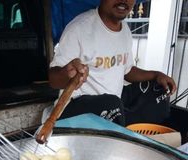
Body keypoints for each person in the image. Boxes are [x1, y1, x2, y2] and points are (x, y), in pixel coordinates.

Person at [49, 0, 177, 126]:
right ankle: (121, 129)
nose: (124, 0)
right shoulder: (79, 28)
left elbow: (127, 71)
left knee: (159, 91)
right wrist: (66, 73)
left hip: (114, 104)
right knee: (112, 104)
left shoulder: (125, 30)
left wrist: (156, 75)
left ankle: (129, 129)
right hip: (76, 107)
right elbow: (53, 80)